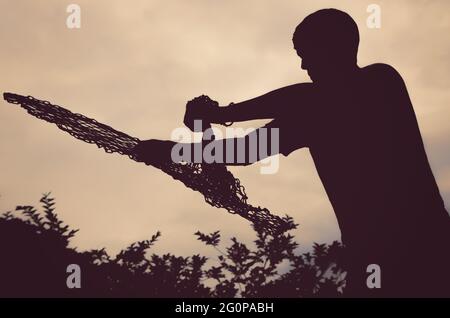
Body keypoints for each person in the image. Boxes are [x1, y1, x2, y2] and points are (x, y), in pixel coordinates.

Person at [135, 9, 450, 297]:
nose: (303, 65)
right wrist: (214, 117)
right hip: (406, 253)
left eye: (307, 54)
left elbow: (255, 139)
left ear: (334, 47)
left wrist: (180, 141)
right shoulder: (377, 84)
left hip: (403, 257)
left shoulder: (374, 82)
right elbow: (246, 146)